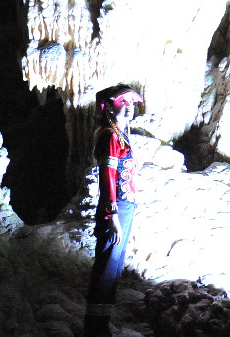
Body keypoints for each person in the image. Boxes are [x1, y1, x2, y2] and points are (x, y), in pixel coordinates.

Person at [85, 85, 143, 336]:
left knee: (114, 268)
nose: (129, 106)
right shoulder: (109, 135)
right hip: (117, 207)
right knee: (107, 267)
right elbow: (107, 178)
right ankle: (95, 329)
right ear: (109, 106)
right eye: (123, 102)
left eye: (132, 102)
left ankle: (102, 325)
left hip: (126, 206)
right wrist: (112, 216)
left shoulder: (121, 134)